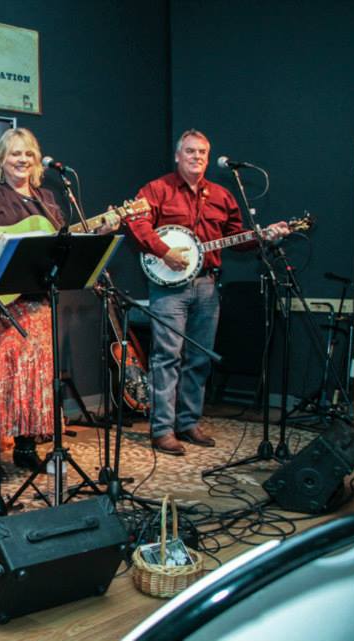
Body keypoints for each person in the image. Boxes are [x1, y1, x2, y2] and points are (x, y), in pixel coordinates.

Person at [0, 128, 119, 481]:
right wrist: (11, 240)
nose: (22, 160)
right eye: (15, 153)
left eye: (28, 154)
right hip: (0, 304)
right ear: (1, 159)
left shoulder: (45, 198)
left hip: (38, 303)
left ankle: (27, 449)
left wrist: (100, 230)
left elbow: (63, 243)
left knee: (32, 380)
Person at [125, 129, 290, 455]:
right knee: (167, 357)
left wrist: (263, 236)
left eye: (202, 152)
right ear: (177, 155)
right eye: (190, 151)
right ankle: (162, 430)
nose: (197, 157)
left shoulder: (221, 195)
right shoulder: (157, 190)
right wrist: (164, 251)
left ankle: (188, 423)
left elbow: (237, 237)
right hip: (168, 287)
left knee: (199, 358)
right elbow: (136, 223)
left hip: (207, 284)